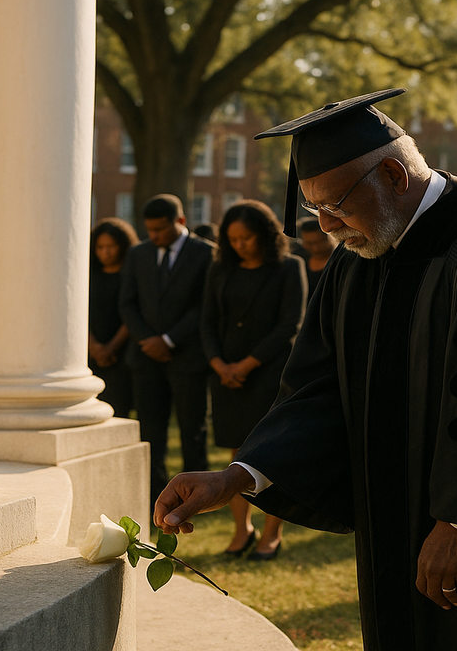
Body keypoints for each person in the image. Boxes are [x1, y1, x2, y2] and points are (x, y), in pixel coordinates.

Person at [153, 89, 457, 651]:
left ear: (393, 174)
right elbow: (319, 389)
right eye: (315, 210)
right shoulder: (358, 257)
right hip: (401, 531)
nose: (329, 226)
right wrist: (237, 477)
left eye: (336, 206)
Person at [201, 200, 307, 560]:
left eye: (246, 238)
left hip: (269, 374)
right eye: (232, 239)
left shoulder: (290, 267)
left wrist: (246, 364)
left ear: (263, 235)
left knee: (272, 454)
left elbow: (290, 324)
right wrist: (219, 364)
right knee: (237, 453)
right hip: (226, 375)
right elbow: (207, 321)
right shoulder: (220, 270)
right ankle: (241, 529)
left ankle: (271, 533)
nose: (239, 245)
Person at [119, 194, 217, 505]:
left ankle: (197, 498)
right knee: (151, 431)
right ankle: (154, 495)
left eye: (161, 229)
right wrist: (149, 340)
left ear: (181, 222)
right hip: (146, 359)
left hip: (188, 358)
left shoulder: (207, 254)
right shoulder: (138, 254)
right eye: (150, 230)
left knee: (193, 429)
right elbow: (127, 303)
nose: (154, 236)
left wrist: (170, 340)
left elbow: (205, 305)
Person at [89, 218, 138, 418]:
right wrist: (93, 346)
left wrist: (111, 348)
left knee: (119, 410)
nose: (105, 252)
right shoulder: (88, 275)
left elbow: (132, 313)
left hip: (122, 353)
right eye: (100, 247)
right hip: (91, 351)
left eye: (111, 246)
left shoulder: (132, 276)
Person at [295, 217, 337, 296]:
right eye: (309, 244)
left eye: (320, 242)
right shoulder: (298, 259)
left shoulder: (341, 259)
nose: (315, 249)